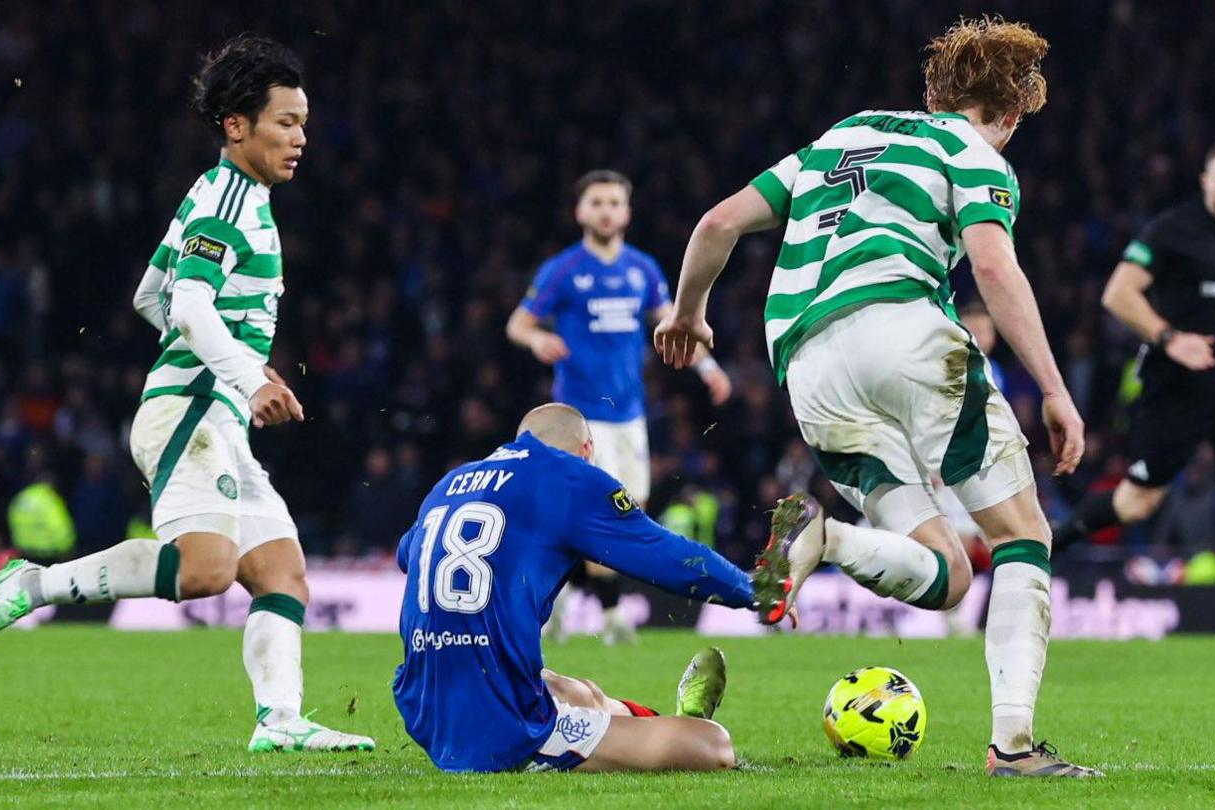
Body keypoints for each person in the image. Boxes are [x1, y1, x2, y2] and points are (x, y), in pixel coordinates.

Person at [656, 17, 1100, 777]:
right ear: (1014, 113)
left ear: (935, 89)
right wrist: (1055, 389)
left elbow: (718, 222)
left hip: (807, 365)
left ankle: (825, 539)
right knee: (1024, 536)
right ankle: (1014, 749)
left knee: (950, 575)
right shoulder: (972, 152)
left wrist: (688, 313)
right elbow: (993, 271)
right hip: (902, 328)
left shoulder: (845, 134)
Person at [0, 35, 373, 752]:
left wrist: (236, 366)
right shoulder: (231, 204)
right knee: (207, 569)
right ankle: (30, 585)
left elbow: (151, 294)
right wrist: (244, 375)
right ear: (237, 125)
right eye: (285, 122)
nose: (300, 137)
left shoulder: (222, 194)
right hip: (193, 411)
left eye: (303, 123)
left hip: (214, 409)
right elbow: (185, 307)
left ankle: (280, 723)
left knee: (282, 571)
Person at [1050, 137, 1215, 661]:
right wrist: (1172, 338)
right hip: (1174, 390)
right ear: (1205, 181)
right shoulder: (1173, 230)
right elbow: (1117, 294)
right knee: (1135, 502)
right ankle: (1048, 545)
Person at [392, 403, 752, 772]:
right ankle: (687, 722)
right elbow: (668, 556)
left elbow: (407, 554)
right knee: (715, 746)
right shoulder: (568, 477)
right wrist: (752, 590)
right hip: (500, 724)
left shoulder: (450, 483)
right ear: (587, 450)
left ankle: (642, 719)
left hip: (424, 697)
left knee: (580, 694)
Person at [506, 170, 732, 644]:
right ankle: (608, 617)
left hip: (630, 414)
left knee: (631, 512)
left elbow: (675, 326)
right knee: (602, 510)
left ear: (627, 213)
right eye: (597, 202)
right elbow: (518, 324)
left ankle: (565, 599)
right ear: (580, 211)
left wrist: (709, 369)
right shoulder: (564, 270)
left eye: (614, 202)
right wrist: (538, 338)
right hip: (580, 417)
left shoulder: (642, 270)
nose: (606, 210)